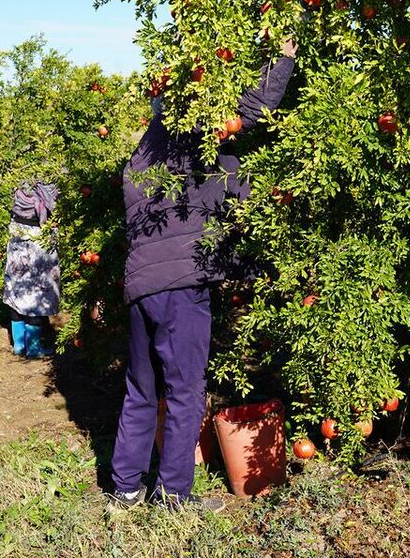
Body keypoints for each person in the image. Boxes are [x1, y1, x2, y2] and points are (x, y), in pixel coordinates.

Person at [109, 40, 297, 512]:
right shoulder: (194, 140)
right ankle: (174, 496)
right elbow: (250, 110)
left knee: (141, 390)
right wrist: (283, 58)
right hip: (181, 287)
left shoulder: (140, 157)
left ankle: (125, 489)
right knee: (185, 393)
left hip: (140, 288)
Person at [3, 181, 61, 358]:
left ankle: (19, 344)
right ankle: (34, 348)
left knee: (17, 288)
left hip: (17, 232)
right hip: (39, 236)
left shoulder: (18, 177)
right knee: (37, 292)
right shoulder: (47, 180)